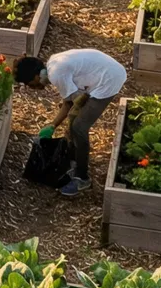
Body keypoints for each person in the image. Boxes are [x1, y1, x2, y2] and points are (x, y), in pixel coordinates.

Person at [15, 49, 128, 197]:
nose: (32, 87)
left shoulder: (56, 73)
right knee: (74, 123)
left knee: (79, 127)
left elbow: (77, 101)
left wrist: (67, 124)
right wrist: (52, 125)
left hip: (109, 79)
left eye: (30, 83)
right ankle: (74, 158)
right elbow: (69, 102)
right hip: (103, 73)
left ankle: (82, 178)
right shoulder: (53, 64)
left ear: (36, 76)